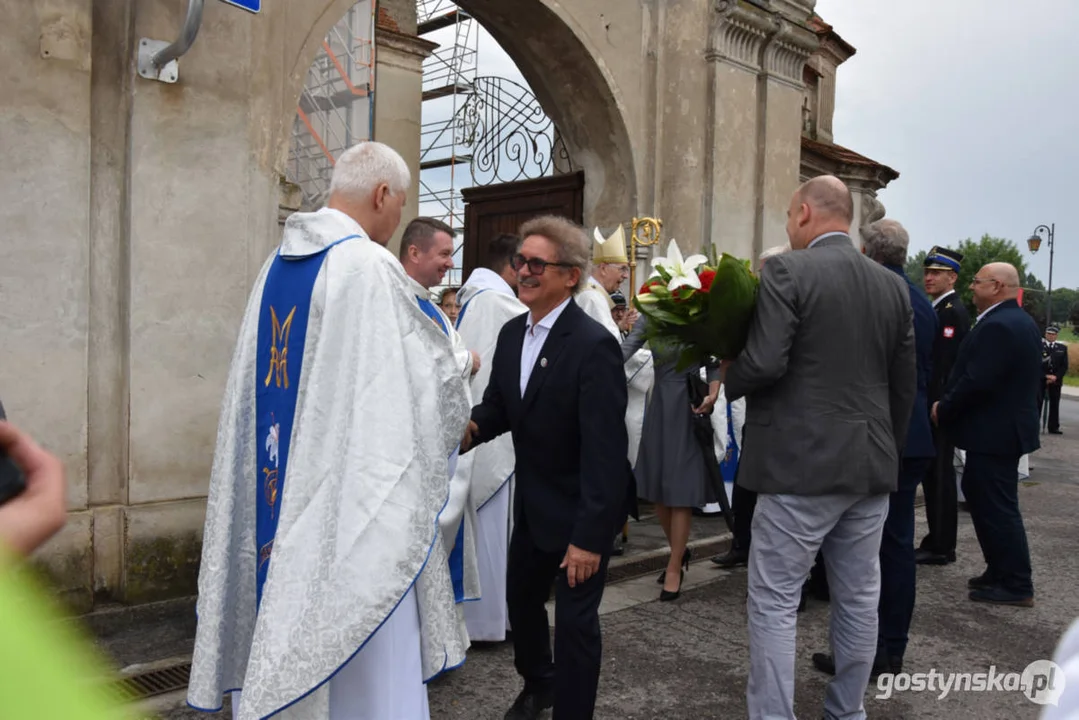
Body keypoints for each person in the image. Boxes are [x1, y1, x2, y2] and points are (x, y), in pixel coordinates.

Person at [186, 142, 471, 720]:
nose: (396, 220)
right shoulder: (369, 265)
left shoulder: (276, 266)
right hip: (346, 507)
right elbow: (419, 379)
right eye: (400, 204)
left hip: (282, 487)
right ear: (382, 195)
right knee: (361, 611)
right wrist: (463, 366)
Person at [723, 175, 916, 720]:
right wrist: (888, 452)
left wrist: (726, 375)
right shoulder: (892, 285)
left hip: (798, 465)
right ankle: (847, 710)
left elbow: (765, 361)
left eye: (788, 217)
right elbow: (904, 384)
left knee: (775, 601)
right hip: (871, 465)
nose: (788, 226)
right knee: (859, 596)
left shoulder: (788, 268)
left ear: (805, 212)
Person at [462, 215, 633, 720]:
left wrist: (588, 538)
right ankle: (541, 682)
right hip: (536, 509)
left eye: (538, 263)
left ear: (570, 276)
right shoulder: (515, 333)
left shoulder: (592, 345)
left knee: (577, 627)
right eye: (521, 262)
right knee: (521, 601)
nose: (525, 271)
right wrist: (464, 430)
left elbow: (606, 451)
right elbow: (498, 406)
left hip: (582, 512)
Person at [811, 218, 936, 679]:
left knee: (873, 548)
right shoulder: (919, 300)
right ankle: (885, 647)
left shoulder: (882, 294)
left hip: (885, 434)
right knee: (891, 545)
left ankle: (874, 650)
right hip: (913, 432)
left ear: (868, 251)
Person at [933, 262, 1041, 607]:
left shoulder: (1002, 325)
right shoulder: (1012, 320)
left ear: (996, 286)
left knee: (997, 508)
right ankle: (999, 569)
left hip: (995, 434)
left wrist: (944, 408)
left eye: (977, 282)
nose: (971, 288)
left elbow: (977, 380)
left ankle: (1016, 583)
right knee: (986, 503)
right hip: (997, 433)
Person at [400, 217, 482, 608]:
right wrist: (468, 360)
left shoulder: (426, 305)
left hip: (441, 447)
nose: (451, 263)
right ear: (414, 252)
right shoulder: (399, 300)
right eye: (444, 253)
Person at [454, 232, 527, 643]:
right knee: (493, 528)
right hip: (492, 433)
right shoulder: (499, 304)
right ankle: (488, 622)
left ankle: (492, 618)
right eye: (527, 266)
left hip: (482, 428)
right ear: (513, 266)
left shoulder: (476, 299)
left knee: (491, 528)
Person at [622, 308, 720, 601]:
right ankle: (680, 549)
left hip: (689, 407)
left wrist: (713, 394)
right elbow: (625, 350)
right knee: (659, 492)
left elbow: (713, 364)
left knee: (680, 491)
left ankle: (674, 563)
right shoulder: (652, 317)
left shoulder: (699, 318)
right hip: (660, 408)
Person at [711, 244, 788, 569]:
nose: (758, 277)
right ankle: (742, 544)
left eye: (763, 270)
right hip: (758, 414)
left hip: (781, 416)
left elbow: (768, 362)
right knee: (745, 485)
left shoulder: (785, 307)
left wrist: (734, 373)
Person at [917, 245, 970, 566]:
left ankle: (941, 545)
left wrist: (938, 403)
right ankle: (937, 540)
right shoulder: (940, 308)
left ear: (952, 277)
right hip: (934, 405)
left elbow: (946, 366)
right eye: (926, 272)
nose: (928, 278)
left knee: (939, 477)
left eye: (936, 273)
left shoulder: (950, 311)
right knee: (934, 476)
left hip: (938, 407)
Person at [1040, 325, 1069, 435]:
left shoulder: (1062, 348)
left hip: (1056, 381)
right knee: (1037, 403)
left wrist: (1056, 377)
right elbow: (1035, 364)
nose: (1051, 336)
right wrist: (1045, 376)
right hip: (1041, 380)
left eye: (1053, 334)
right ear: (1045, 334)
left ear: (1056, 336)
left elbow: (1064, 366)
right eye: (1049, 334)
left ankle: (1053, 427)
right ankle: (1033, 426)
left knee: (1054, 404)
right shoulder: (1038, 346)